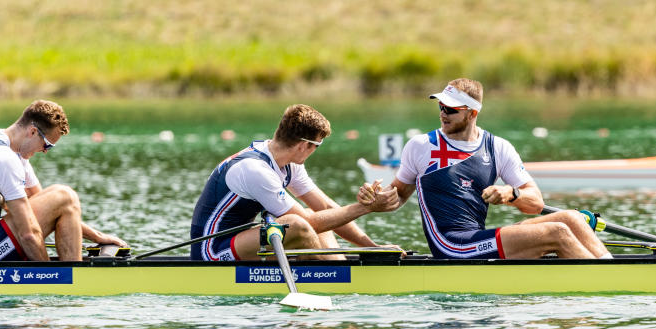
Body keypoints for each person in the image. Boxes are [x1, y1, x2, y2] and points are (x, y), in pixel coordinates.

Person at [357, 79, 611, 259]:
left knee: (572, 218)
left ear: (472, 113)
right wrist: (377, 199)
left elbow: (535, 202)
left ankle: (612, 273)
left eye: (451, 109)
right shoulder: (421, 146)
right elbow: (398, 196)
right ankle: (612, 287)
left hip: (477, 239)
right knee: (557, 231)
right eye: (440, 106)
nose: (443, 114)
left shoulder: (498, 147)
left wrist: (511, 194)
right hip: (452, 246)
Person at [190, 104, 398, 261]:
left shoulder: (288, 163)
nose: (316, 151)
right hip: (213, 251)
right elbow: (308, 224)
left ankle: (338, 272)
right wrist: (366, 208)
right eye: (317, 145)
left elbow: (325, 207)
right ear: (303, 146)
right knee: (299, 223)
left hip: (242, 240)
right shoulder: (254, 170)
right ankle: (332, 278)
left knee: (323, 217)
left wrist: (371, 247)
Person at [0, 100, 126, 262]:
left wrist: (97, 237)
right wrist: (50, 278)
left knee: (63, 198)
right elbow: (29, 233)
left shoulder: (6, 143)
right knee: (65, 195)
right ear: (32, 131)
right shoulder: (3, 159)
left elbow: (53, 208)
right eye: (47, 144)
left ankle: (72, 271)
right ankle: (69, 282)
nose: (46, 151)